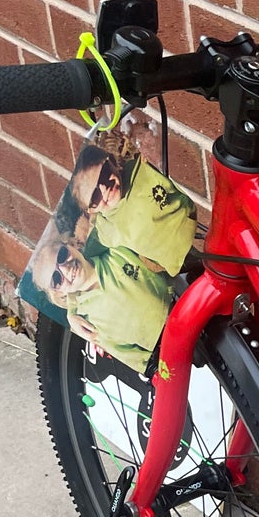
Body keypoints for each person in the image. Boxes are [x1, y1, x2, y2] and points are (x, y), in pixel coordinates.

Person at [29, 229, 174, 374]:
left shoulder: (115, 253)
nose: (66, 269)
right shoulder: (87, 321)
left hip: (179, 305)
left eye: (61, 255)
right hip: (163, 348)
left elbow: (102, 228)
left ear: (71, 245)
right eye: (56, 278)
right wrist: (149, 367)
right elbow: (118, 349)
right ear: (58, 292)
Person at [67, 143, 196, 277]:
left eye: (104, 173)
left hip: (193, 233)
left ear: (111, 160)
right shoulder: (105, 228)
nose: (104, 188)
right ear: (92, 209)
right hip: (172, 262)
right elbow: (92, 248)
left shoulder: (143, 169)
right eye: (95, 196)